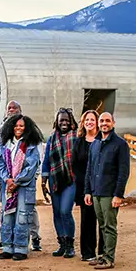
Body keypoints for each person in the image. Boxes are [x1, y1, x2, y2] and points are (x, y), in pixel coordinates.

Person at [0, 100, 43, 252]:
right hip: (8, 185)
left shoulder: (31, 145)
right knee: (7, 215)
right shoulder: (6, 144)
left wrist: (17, 181)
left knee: (23, 216)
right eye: (16, 126)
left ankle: (20, 247)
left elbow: (32, 166)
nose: (18, 128)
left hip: (24, 186)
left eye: (21, 126)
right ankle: (7, 246)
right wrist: (7, 179)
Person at [84, 112, 130, 270]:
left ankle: (109, 258)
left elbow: (123, 172)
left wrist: (118, 194)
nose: (104, 123)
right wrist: (88, 191)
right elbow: (89, 169)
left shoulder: (120, 144)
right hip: (96, 192)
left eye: (107, 121)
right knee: (102, 226)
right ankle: (103, 255)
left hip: (110, 193)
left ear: (113, 123)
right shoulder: (95, 144)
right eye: (102, 121)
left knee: (109, 226)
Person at [42, 108, 79, 259]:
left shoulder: (76, 137)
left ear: (71, 122)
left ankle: (70, 245)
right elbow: (46, 161)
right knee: (56, 213)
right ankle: (62, 244)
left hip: (71, 179)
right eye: (61, 120)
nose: (64, 122)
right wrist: (44, 180)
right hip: (54, 179)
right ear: (57, 122)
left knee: (65, 211)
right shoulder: (52, 138)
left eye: (66, 120)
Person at [73, 110, 104, 262]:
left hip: (101, 186)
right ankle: (88, 252)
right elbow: (75, 165)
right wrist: (85, 186)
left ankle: (103, 253)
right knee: (87, 220)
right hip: (84, 187)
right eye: (87, 120)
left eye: (92, 119)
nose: (89, 122)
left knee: (103, 220)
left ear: (97, 122)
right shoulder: (79, 142)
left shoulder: (103, 140)